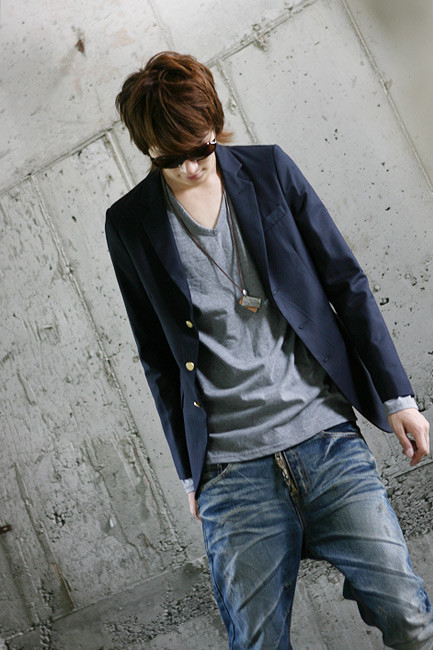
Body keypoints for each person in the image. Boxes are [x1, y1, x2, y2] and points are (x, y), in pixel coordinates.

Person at [105, 51, 433, 649]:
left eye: (200, 149)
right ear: (146, 149)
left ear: (215, 125)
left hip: (326, 442)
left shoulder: (270, 170)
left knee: (411, 619)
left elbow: (345, 282)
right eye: (170, 158)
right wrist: (189, 471)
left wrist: (398, 397)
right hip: (230, 473)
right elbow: (156, 355)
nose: (190, 167)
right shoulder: (129, 223)